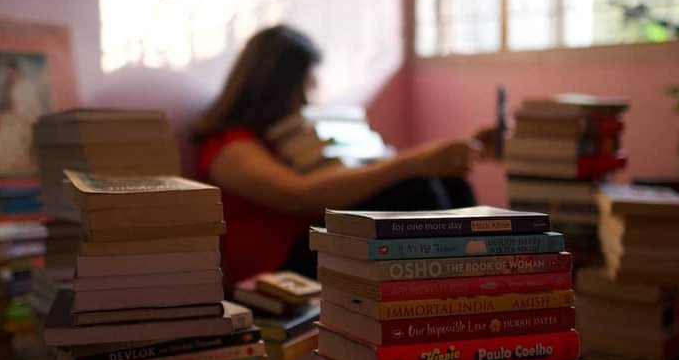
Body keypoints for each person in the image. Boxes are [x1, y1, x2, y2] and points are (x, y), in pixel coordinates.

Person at [195, 24, 482, 284]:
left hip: (314, 242)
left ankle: (475, 282)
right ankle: (454, 290)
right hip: (281, 270)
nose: (307, 101)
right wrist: (412, 163)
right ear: (272, 88)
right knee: (417, 190)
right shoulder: (230, 147)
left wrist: (435, 160)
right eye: (300, 89)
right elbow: (300, 196)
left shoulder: (287, 138)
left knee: (448, 183)